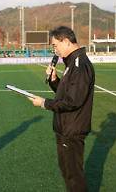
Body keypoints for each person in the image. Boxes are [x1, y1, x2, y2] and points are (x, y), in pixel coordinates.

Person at [30, 27, 95, 192]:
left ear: (66, 42)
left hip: (72, 129)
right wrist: (54, 80)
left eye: (55, 45)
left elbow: (72, 101)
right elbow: (66, 94)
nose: (55, 50)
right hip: (65, 127)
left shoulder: (79, 65)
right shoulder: (72, 63)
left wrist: (45, 103)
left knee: (74, 176)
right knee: (68, 173)